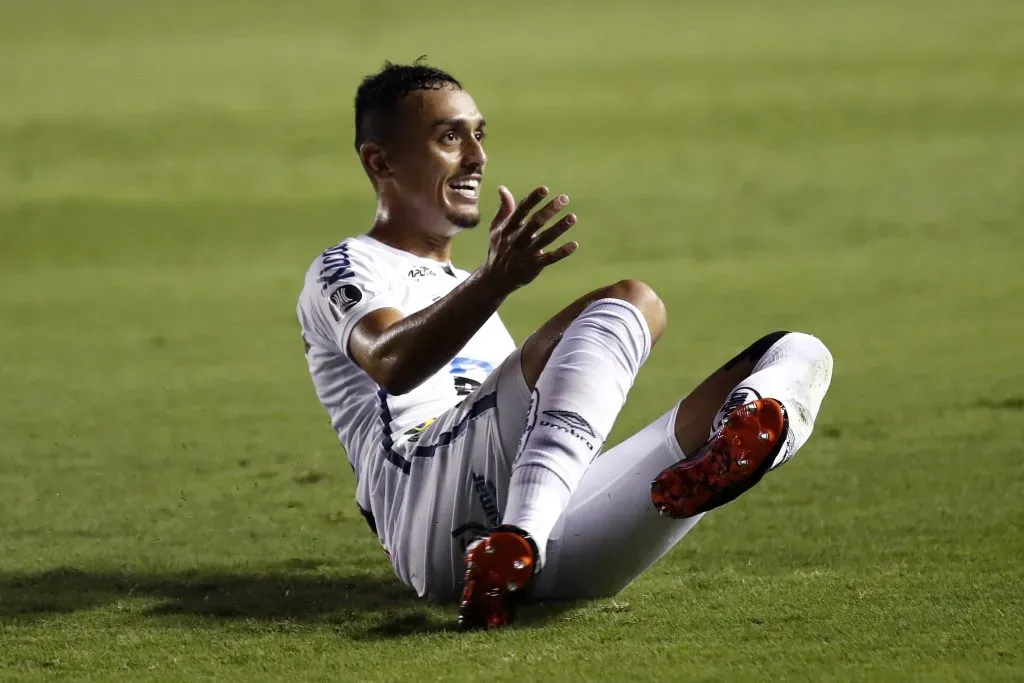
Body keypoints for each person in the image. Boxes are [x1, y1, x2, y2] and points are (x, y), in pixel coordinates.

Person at [296, 60, 834, 630]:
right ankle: (519, 537)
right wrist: (495, 279)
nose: (477, 157)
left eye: (478, 135)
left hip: (531, 521)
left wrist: (486, 282)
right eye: (450, 137)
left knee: (797, 353)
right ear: (380, 160)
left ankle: (725, 446)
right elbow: (391, 361)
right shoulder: (348, 264)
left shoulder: (465, 291)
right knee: (633, 300)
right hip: (424, 499)